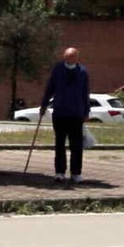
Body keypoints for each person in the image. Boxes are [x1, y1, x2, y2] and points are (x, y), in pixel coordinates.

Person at [39, 46, 90, 184]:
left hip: (76, 113)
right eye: (67, 57)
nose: (69, 59)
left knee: (76, 145)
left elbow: (85, 93)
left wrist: (86, 111)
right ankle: (59, 172)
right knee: (59, 143)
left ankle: (76, 173)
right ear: (64, 57)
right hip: (60, 112)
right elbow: (50, 88)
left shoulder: (83, 72)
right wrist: (44, 105)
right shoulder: (58, 69)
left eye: (72, 57)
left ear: (76, 58)